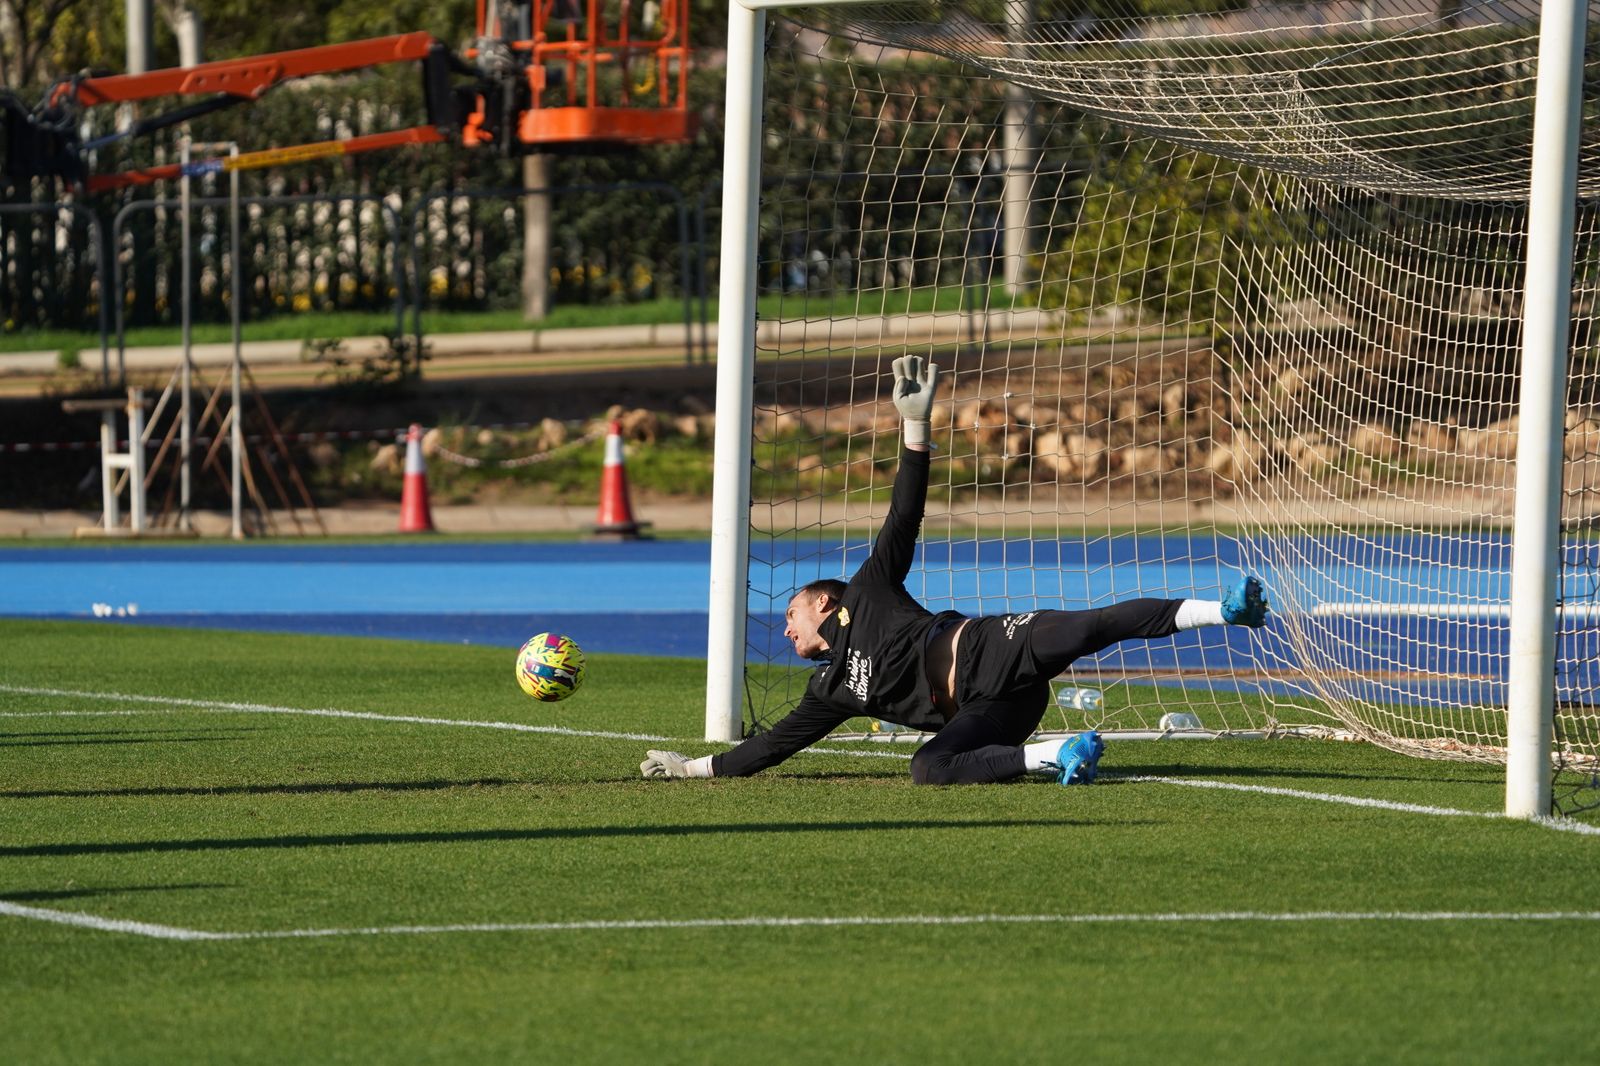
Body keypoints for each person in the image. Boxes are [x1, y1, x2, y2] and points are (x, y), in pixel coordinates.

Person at [641, 356, 1270, 786]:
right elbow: (768, 749)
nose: (784, 630)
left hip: (990, 647)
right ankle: (1056, 754)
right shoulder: (826, 692)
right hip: (986, 710)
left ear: (826, 604)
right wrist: (691, 768)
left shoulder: (870, 587)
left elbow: (903, 515)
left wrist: (915, 425)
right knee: (928, 769)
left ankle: (1224, 611)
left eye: (791, 614)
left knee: (1088, 627)